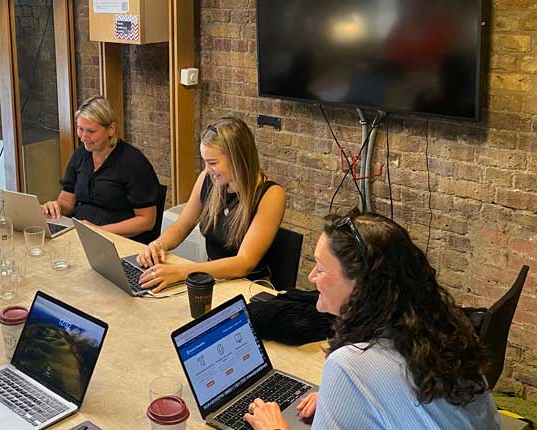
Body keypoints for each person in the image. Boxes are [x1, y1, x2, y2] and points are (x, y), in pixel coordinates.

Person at [243, 212, 498, 430]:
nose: (311, 277)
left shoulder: (349, 363)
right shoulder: (441, 332)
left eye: (320, 269)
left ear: (359, 285)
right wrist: (344, 397)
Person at [137, 118, 286, 292]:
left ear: (238, 159)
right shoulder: (207, 180)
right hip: (212, 280)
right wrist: (157, 245)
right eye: (205, 161)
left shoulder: (271, 194)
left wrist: (180, 272)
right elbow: (180, 227)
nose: (207, 170)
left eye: (213, 163)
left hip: (249, 288)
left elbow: (244, 263)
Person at [41, 95, 160, 244]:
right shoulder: (81, 155)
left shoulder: (133, 163)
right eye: (80, 129)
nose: (83, 137)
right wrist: (56, 206)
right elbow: (67, 201)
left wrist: (100, 231)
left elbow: (147, 221)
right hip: (79, 236)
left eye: (91, 131)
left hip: (118, 241)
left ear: (111, 129)